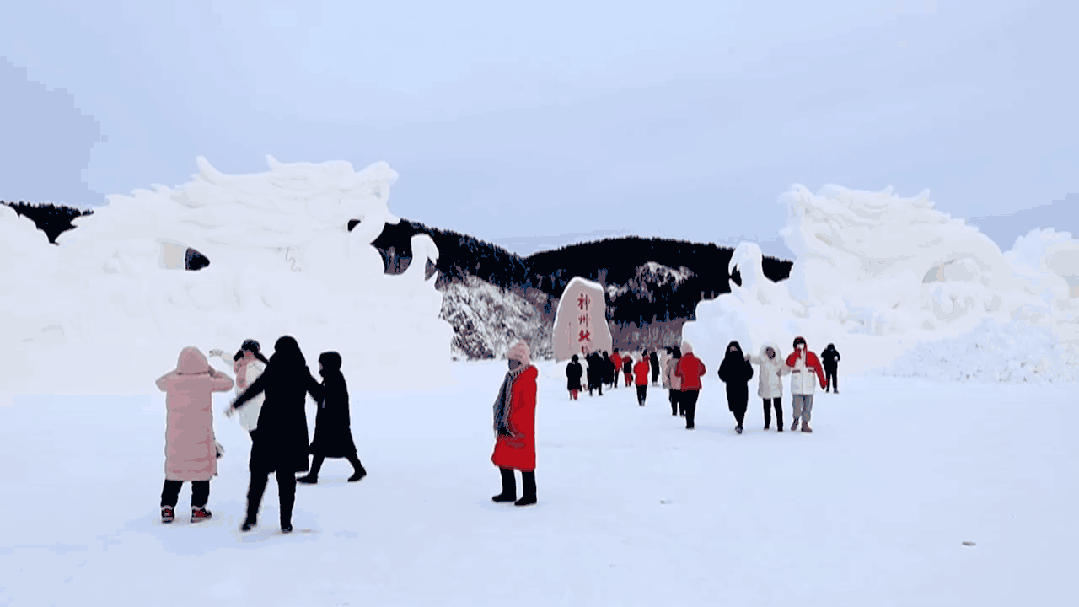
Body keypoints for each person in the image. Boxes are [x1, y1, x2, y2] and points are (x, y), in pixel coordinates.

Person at [228, 336, 323, 533]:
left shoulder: (273, 368)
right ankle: (286, 522)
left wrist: (236, 404)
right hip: (293, 430)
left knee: (258, 475)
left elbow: (254, 389)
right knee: (286, 478)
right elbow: (319, 394)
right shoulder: (301, 370)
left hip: (268, 428)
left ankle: (250, 517)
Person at [156, 347, 234, 524]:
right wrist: (213, 372)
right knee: (201, 473)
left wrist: (178, 372)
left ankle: (167, 509)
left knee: (175, 473)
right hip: (201, 438)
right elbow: (229, 383)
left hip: (177, 440)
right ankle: (198, 510)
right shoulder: (206, 381)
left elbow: (159, 382)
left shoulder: (172, 381)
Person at [297, 352, 367, 484]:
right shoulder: (332, 378)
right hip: (332, 421)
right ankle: (313, 475)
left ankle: (358, 469)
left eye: (321, 365)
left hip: (334, 422)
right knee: (324, 447)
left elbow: (320, 395)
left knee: (341, 447)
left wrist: (307, 378)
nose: (320, 368)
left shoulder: (334, 380)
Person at [491, 341, 540, 507]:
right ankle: (509, 491)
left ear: (520, 362)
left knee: (525, 464)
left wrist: (513, 425)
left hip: (520, 429)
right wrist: (503, 423)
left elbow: (526, 408)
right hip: (507, 427)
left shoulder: (526, 379)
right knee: (503, 459)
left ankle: (530, 495)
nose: (509, 364)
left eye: (511, 361)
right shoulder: (511, 378)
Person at [210, 340, 269, 436]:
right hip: (245, 410)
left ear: (253, 352)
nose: (245, 352)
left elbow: (252, 392)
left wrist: (234, 406)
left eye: (247, 350)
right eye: (244, 350)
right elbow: (231, 360)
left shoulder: (258, 368)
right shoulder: (241, 363)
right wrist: (220, 353)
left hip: (257, 410)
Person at [785, 336, 828, 432]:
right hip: (797, 387)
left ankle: (805, 424)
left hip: (809, 386)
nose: (800, 346)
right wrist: (796, 354)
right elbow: (789, 363)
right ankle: (795, 420)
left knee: (807, 407)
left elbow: (819, 368)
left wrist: (822, 381)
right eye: (797, 344)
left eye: (801, 344)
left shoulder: (811, 355)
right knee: (796, 407)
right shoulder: (792, 356)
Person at [745, 342, 790, 432]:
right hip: (765, 387)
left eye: (771, 351)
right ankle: (767, 424)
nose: (769, 353)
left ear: (775, 351)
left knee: (778, 407)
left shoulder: (779, 361)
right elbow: (754, 359)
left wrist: (781, 372)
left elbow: (787, 368)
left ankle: (780, 426)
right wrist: (748, 357)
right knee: (766, 408)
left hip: (776, 387)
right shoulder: (762, 359)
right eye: (767, 351)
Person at [718, 341, 754, 434]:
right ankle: (739, 422)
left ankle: (740, 424)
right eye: (732, 349)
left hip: (742, 386)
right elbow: (720, 372)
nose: (733, 350)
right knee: (734, 406)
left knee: (741, 406)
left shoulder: (743, 360)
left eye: (735, 348)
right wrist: (727, 379)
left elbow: (750, 372)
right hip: (731, 387)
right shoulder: (726, 360)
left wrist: (745, 377)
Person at [674, 342, 706, 429]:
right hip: (696, 386)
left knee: (687, 405)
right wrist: (697, 374)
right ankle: (691, 421)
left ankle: (689, 423)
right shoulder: (697, 360)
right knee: (692, 404)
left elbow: (677, 373)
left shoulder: (681, 361)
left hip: (685, 386)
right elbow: (703, 370)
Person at [665, 346, 682, 416]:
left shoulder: (671, 362)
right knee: (681, 399)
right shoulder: (681, 361)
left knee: (673, 399)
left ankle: (674, 412)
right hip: (681, 384)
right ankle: (681, 412)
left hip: (672, 384)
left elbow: (666, 372)